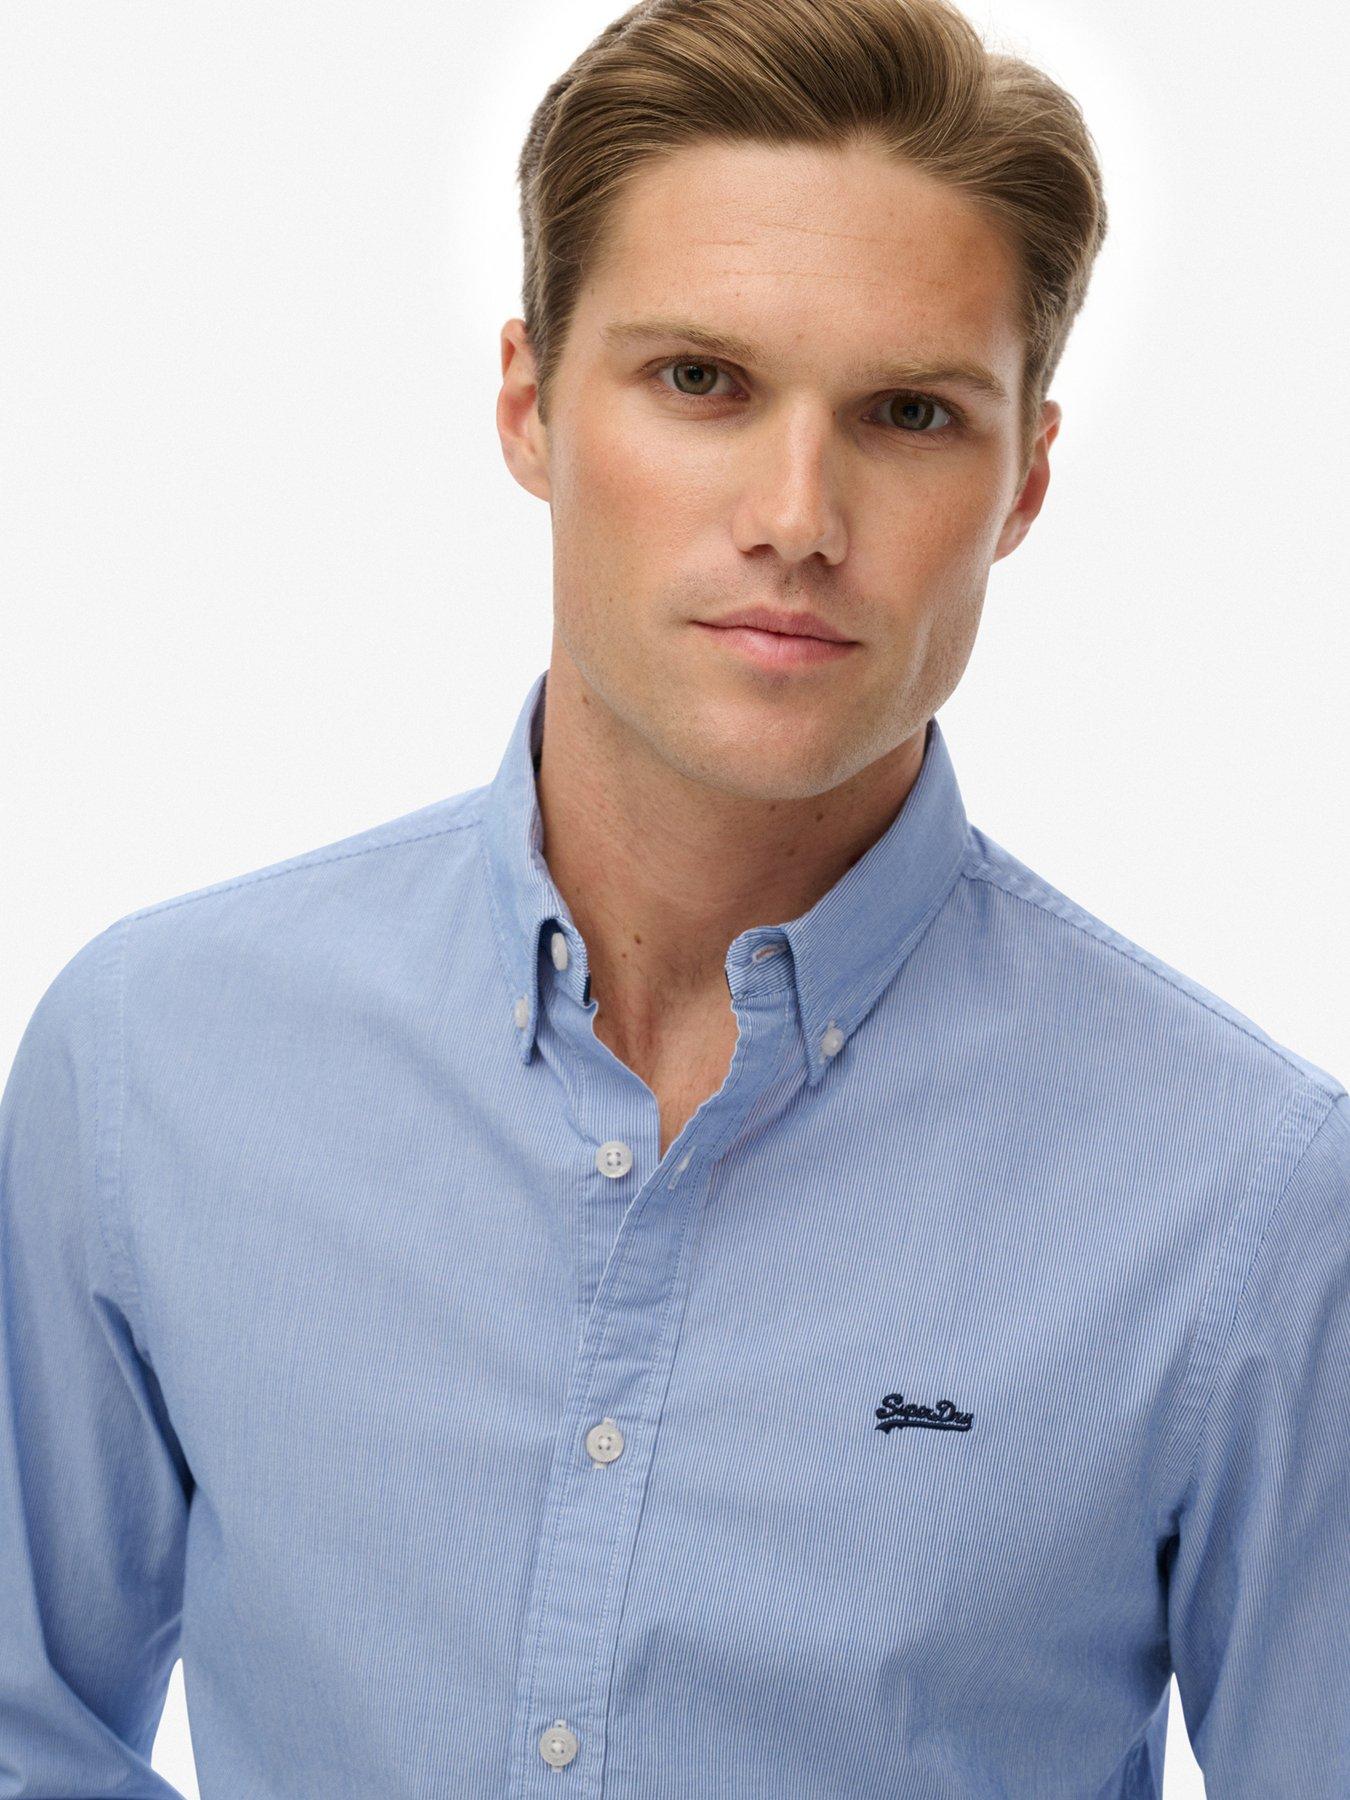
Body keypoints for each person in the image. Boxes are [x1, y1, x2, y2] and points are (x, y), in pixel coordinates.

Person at [2, 0, 1346, 1792]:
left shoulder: (1244, 1197)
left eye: (908, 413)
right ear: (528, 405)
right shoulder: (153, 1059)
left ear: (1023, 477)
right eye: (701, 381)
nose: (796, 516)